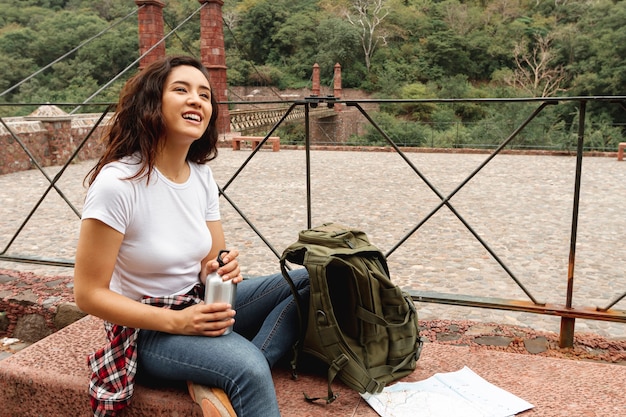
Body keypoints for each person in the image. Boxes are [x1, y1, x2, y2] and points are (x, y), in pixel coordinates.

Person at [73, 55, 310, 417]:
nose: (197, 100)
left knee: (310, 281)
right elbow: (88, 294)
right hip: (149, 329)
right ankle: (233, 366)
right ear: (153, 102)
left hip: (199, 302)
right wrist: (178, 322)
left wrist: (222, 268)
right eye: (181, 90)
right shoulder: (117, 184)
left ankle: (214, 375)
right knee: (248, 369)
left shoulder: (200, 176)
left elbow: (208, 265)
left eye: (204, 94)